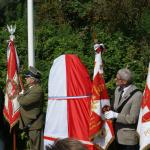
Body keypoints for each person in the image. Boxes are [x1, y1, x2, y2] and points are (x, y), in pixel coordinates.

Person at [104, 68, 142, 150]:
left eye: (117, 78)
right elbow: (115, 107)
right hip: (114, 135)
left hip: (127, 140)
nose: (115, 80)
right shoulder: (117, 90)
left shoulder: (137, 95)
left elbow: (133, 119)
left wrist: (116, 115)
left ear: (124, 81)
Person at [17, 66, 44, 150]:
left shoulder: (37, 90)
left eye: (28, 77)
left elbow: (23, 102)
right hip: (30, 125)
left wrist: (20, 95)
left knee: (36, 148)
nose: (26, 78)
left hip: (34, 125)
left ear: (33, 79)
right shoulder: (31, 89)